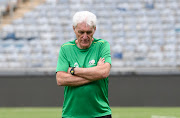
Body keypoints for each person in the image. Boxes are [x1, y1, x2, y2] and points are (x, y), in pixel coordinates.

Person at [56, 11, 112, 118]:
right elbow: (61, 79)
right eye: (81, 32)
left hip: (100, 114)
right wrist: (95, 74)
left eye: (89, 32)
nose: (85, 37)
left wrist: (74, 70)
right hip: (71, 114)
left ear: (94, 29)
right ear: (74, 29)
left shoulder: (102, 45)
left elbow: (104, 72)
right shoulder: (66, 48)